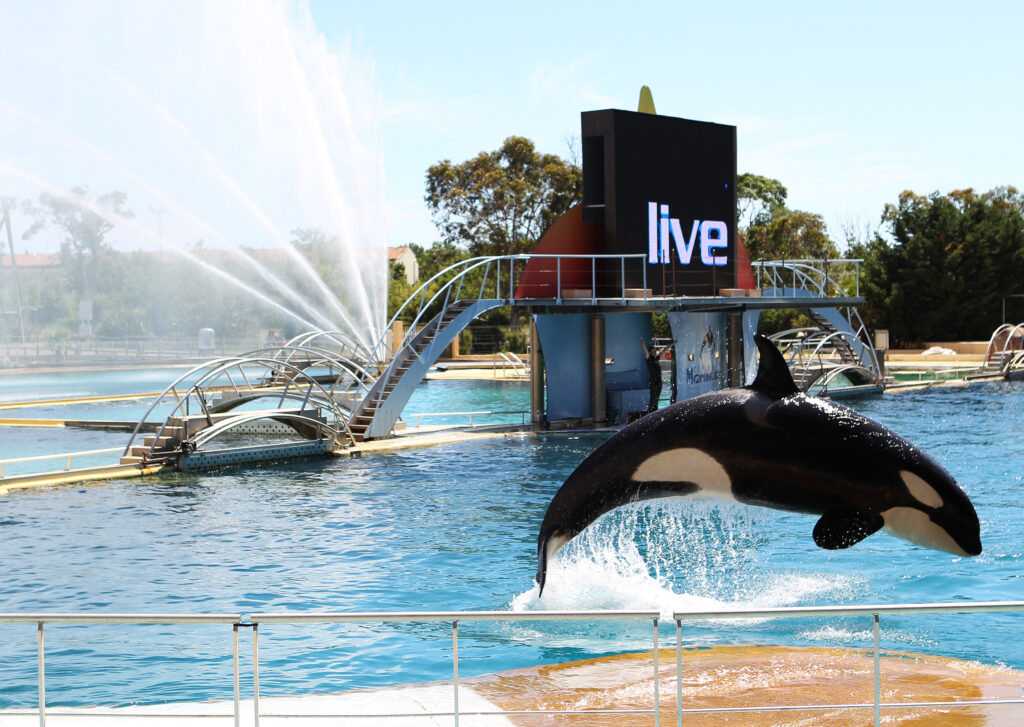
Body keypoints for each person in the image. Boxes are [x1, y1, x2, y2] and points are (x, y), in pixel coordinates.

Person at [641, 337, 675, 414]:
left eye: (655, 350)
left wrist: (672, 344)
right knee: (653, 399)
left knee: (657, 399)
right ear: (650, 352)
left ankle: (655, 412)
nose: (654, 352)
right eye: (653, 351)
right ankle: (650, 413)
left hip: (659, 381)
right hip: (653, 381)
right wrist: (643, 345)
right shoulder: (649, 358)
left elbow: (664, 351)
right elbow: (646, 353)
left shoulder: (656, 358)